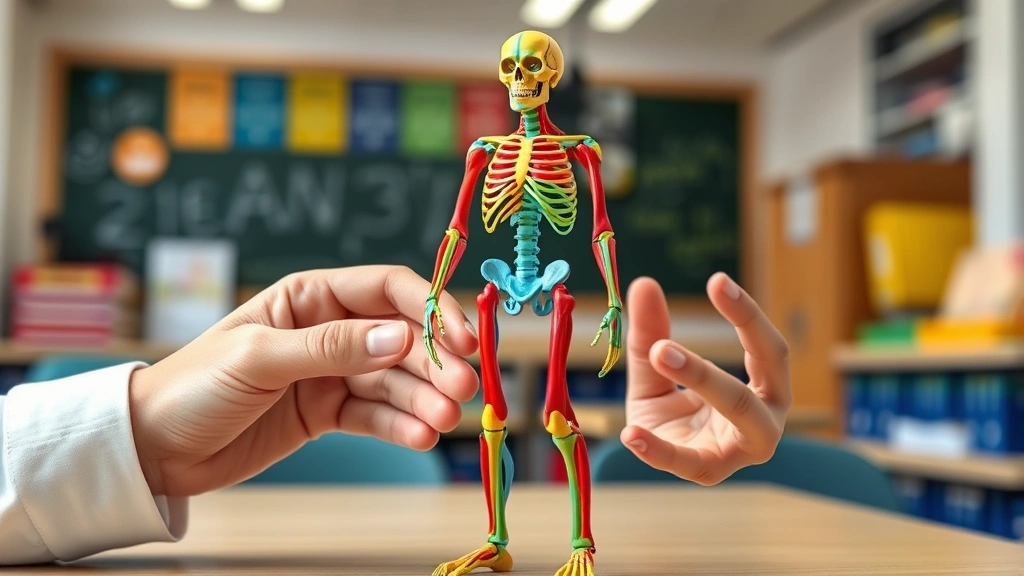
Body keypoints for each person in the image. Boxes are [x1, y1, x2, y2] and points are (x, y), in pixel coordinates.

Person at [0, 265, 789, 565]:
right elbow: (452, 229)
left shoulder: (575, 150)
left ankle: (574, 538)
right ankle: (497, 540)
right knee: (483, 418)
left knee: (552, 418)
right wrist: (135, 443)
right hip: (488, 293)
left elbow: (602, 227)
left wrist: (612, 303)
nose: (521, 79)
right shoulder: (486, 159)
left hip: (552, 293)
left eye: (531, 70)